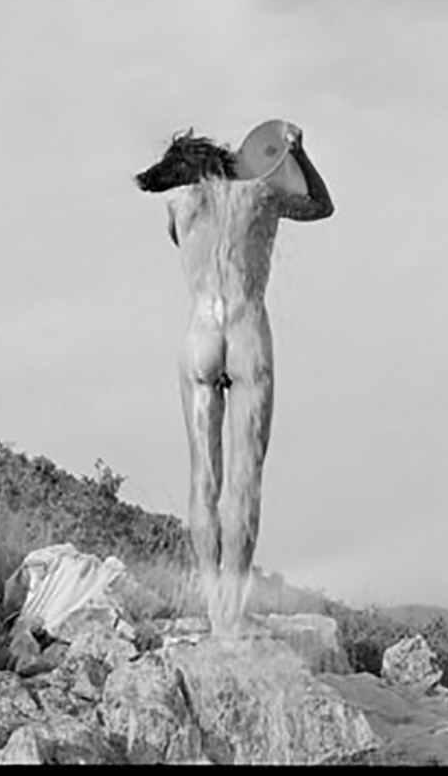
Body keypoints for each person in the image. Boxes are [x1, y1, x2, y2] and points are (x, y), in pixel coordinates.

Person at [135, 122, 334, 638]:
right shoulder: (263, 195)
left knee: (204, 478)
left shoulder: (178, 206)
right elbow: (320, 206)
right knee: (245, 479)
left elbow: (184, 241)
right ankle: (231, 616)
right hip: (246, 335)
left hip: (199, 337)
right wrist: (297, 154)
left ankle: (210, 604)